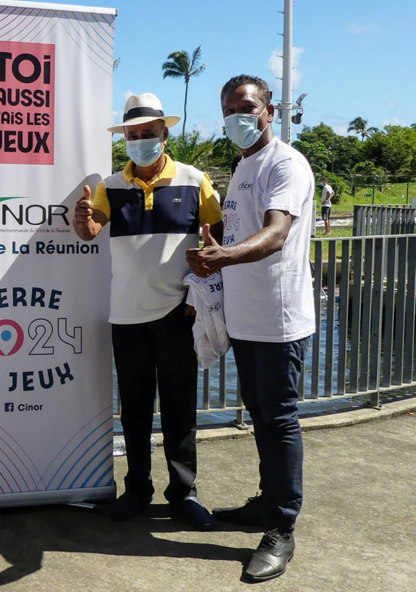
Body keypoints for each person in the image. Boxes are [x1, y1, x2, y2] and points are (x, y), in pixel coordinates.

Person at [186, 74, 316, 583]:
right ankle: (267, 502)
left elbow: (276, 233)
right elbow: (235, 229)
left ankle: (282, 529)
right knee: (261, 414)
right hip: (244, 320)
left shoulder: (286, 163)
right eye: (227, 109)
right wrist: (210, 249)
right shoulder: (244, 166)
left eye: (245, 106)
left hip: (279, 320)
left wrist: (221, 258)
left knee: (279, 418)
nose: (235, 116)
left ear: (268, 110)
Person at [73, 92, 223, 530]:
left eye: (148, 134)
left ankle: (184, 493)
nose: (140, 141)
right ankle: (137, 488)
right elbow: (90, 231)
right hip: (126, 316)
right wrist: (82, 219)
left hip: (180, 315)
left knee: (180, 408)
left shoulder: (196, 180)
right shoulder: (111, 186)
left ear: (165, 134)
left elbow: (218, 239)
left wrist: (208, 269)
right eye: (132, 135)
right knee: (135, 410)